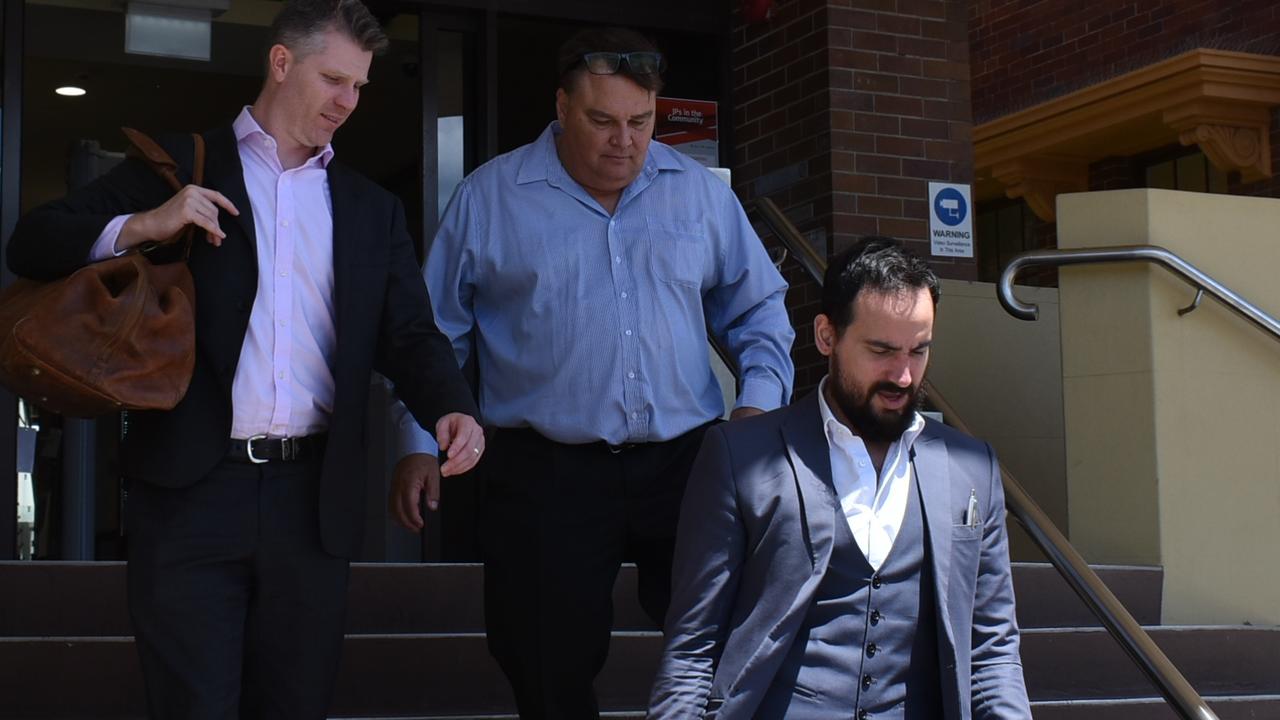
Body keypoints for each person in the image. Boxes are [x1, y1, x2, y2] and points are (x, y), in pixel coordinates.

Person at [6, 0, 485, 716]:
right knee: (194, 704)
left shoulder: (368, 208)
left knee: (295, 704)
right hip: (193, 490)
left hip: (312, 502)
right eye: (333, 80)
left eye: (358, 87)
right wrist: (146, 224)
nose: (348, 102)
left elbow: (410, 333)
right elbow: (32, 243)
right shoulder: (179, 168)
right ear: (282, 62)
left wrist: (451, 406)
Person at [389, 26, 795, 720]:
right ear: (561, 107)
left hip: (687, 463)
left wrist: (755, 409)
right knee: (544, 663)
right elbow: (432, 339)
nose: (625, 141)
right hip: (545, 470)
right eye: (602, 120)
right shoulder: (491, 198)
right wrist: (418, 445)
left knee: (735, 644)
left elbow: (759, 310)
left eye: (641, 121)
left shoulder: (698, 195)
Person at [649, 238, 1032, 720]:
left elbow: (992, 651)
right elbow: (692, 648)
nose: (904, 375)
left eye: (919, 351)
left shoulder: (972, 469)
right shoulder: (739, 456)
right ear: (827, 336)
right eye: (881, 350)